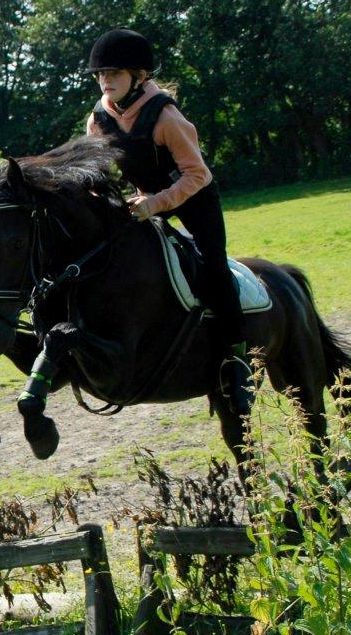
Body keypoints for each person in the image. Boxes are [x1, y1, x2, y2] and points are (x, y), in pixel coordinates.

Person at [85, 28, 253, 415]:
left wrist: (156, 203)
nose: (105, 81)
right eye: (100, 75)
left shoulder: (166, 116)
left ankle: (238, 362)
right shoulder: (98, 118)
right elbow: (97, 171)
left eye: (114, 73)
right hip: (144, 199)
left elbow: (198, 175)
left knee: (213, 269)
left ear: (138, 76)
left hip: (193, 198)